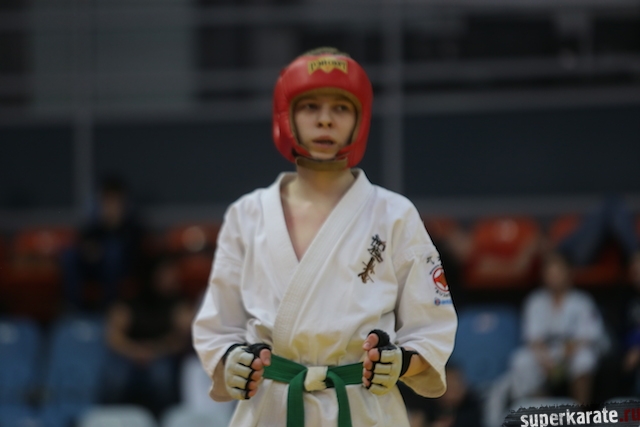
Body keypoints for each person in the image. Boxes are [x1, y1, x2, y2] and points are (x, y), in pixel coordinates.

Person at [192, 47, 458, 427]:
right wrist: (230, 360)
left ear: (360, 120)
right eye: (310, 107)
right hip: (272, 408)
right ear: (286, 117)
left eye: (341, 108)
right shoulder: (247, 215)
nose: (325, 120)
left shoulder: (395, 214)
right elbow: (218, 326)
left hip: (364, 408)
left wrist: (399, 362)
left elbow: (431, 327)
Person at [507, 252, 607, 406]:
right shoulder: (535, 301)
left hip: (572, 351)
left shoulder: (582, 301)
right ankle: (544, 410)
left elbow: (589, 336)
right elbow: (533, 339)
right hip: (547, 353)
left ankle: (580, 411)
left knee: (585, 358)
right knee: (521, 360)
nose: (554, 277)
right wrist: (545, 360)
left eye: (558, 273)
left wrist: (565, 356)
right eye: (550, 273)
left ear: (568, 274)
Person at [101, 255, 194, 417]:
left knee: (161, 375)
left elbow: (181, 339)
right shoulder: (130, 302)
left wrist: (154, 350)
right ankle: (108, 419)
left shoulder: (178, 304)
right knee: (116, 377)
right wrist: (135, 351)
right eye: (166, 275)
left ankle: (164, 419)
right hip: (130, 356)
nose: (172, 279)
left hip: (163, 355)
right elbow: (113, 337)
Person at [61, 176, 146, 312]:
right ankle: (74, 308)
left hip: (123, 271)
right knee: (69, 256)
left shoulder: (133, 227)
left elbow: (135, 253)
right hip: (95, 268)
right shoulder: (96, 227)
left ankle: (108, 309)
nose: (110, 206)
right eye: (106, 201)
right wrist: (89, 250)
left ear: (123, 203)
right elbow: (83, 243)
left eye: (113, 201)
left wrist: (114, 228)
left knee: (113, 253)